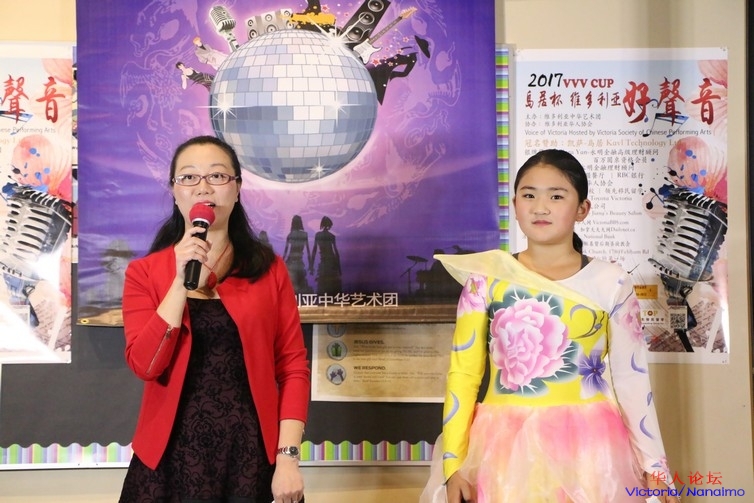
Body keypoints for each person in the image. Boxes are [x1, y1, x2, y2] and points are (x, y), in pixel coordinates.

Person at [421, 149, 679, 503]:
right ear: (514, 205)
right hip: (502, 449)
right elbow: (463, 375)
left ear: (582, 209)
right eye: (529, 195)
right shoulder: (486, 279)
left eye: (556, 196)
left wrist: (654, 466)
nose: (540, 207)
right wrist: (454, 464)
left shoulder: (611, 280)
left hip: (591, 451)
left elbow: (630, 377)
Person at [119, 135, 310, 503]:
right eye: (189, 177)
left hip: (250, 453)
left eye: (218, 176)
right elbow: (146, 365)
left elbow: (292, 367)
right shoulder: (144, 273)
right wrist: (179, 283)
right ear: (174, 192)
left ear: (237, 189)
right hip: (170, 457)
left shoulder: (269, 269)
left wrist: (288, 458)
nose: (203, 187)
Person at [308, 216, 342, 295]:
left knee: (323, 284)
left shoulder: (318, 235)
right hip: (331, 262)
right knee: (332, 284)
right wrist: (339, 268)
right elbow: (336, 252)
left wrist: (311, 266)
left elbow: (314, 251)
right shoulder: (331, 236)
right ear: (329, 225)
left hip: (324, 262)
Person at [283, 215, 312, 294]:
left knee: (292, 287)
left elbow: (286, 252)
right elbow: (308, 252)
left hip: (291, 262)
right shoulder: (304, 234)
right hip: (299, 262)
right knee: (300, 285)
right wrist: (310, 265)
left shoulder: (290, 235)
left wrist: (282, 263)